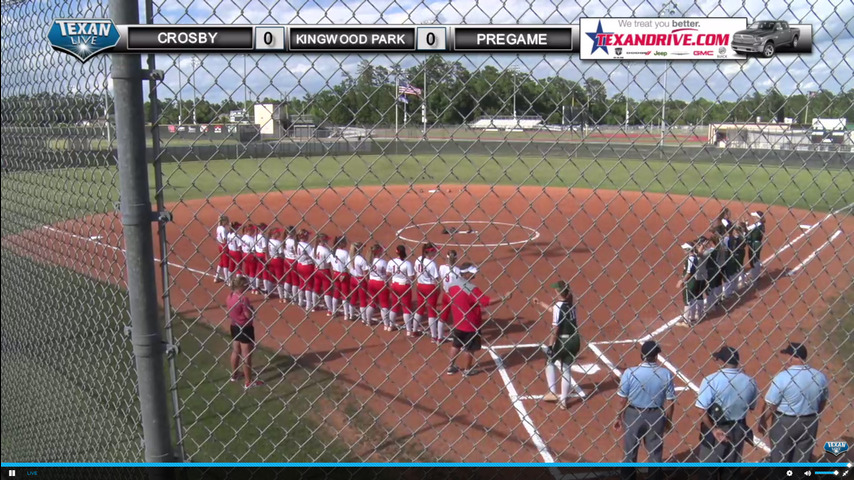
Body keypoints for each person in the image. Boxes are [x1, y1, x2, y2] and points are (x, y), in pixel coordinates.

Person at [614, 341, 676, 480]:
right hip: (656, 415)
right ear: (656, 357)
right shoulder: (666, 374)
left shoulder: (630, 373)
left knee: (630, 452)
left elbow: (622, 399)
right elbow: (671, 401)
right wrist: (668, 420)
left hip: (633, 414)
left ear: (642, 355)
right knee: (655, 453)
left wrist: (618, 417)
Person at [759, 342, 829, 463]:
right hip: (809, 422)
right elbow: (823, 402)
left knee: (779, 460)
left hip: (784, 423)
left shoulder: (782, 377)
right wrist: (811, 415)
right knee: (802, 460)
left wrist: (762, 421)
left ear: (792, 357)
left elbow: (772, 405)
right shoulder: (819, 376)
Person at [695, 346, 759, 475]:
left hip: (715, 428)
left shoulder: (711, 380)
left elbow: (701, 409)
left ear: (723, 362)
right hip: (738, 429)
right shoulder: (750, 381)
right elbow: (751, 406)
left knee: (708, 470)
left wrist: (714, 430)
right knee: (732, 470)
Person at [446, 263, 512, 376]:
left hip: (458, 322)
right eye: (472, 274)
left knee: (456, 345)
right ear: (466, 274)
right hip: (471, 324)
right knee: (469, 349)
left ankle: (450, 366)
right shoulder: (471, 289)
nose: (474, 276)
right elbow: (486, 302)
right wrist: (504, 297)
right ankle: (467, 370)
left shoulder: (452, 285)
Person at [531, 280, 582, 410]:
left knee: (549, 361)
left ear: (558, 292)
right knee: (566, 369)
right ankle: (563, 401)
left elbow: (556, 328)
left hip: (562, 340)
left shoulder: (559, 306)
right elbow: (555, 310)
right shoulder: (571, 305)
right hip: (574, 340)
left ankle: (552, 392)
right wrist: (541, 303)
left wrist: (550, 346)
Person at [226, 277, 264, 390]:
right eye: (246, 284)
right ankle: (248, 382)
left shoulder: (230, 296)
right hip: (245, 328)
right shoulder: (243, 299)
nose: (247, 286)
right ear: (241, 285)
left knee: (236, 350)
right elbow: (248, 315)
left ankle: (234, 375)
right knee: (246, 355)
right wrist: (252, 310)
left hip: (234, 326)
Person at [414, 243, 442, 343]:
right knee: (432, 311)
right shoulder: (432, 264)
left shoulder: (418, 259)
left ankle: (414, 330)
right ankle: (434, 336)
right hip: (430, 287)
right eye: (434, 250)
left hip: (420, 286)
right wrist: (438, 289)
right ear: (429, 251)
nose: (436, 252)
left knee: (420, 308)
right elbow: (436, 279)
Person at [387, 245, 417, 336]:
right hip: (404, 286)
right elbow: (412, 277)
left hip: (394, 285)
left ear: (396, 251)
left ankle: (390, 326)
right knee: (406, 308)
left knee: (394, 305)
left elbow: (388, 274)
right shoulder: (407, 264)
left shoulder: (391, 262)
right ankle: (408, 330)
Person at [437, 250, 461, 341]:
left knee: (443, 315)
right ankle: (459, 338)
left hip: (446, 294)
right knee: (458, 316)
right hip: (455, 296)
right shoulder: (457, 270)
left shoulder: (442, 267)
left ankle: (439, 338)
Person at [676, 241, 702, 326]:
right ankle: (692, 318)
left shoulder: (690, 259)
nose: (683, 250)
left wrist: (682, 281)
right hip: (694, 280)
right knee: (693, 299)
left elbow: (689, 272)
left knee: (687, 300)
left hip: (689, 281)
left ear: (688, 249)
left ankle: (686, 321)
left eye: (685, 249)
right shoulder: (694, 257)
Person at [367, 244, 391, 330]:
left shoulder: (369, 261)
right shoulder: (383, 262)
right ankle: (386, 325)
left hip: (371, 282)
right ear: (379, 251)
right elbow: (387, 274)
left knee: (372, 301)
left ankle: (368, 321)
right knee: (384, 303)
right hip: (381, 283)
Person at [348, 242, 370, 324]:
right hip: (361, 280)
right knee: (363, 299)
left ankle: (351, 315)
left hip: (353, 279)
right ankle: (364, 319)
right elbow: (365, 272)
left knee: (353, 297)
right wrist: (367, 281)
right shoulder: (361, 259)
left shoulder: (350, 257)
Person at [330, 236, 352, 319]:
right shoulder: (345, 253)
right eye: (345, 242)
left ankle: (334, 311)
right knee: (345, 294)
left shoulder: (333, 251)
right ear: (341, 243)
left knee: (336, 292)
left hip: (336, 273)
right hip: (343, 274)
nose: (346, 243)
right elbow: (349, 265)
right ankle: (346, 314)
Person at [295, 229, 315, 312]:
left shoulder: (296, 244)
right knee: (309, 285)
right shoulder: (307, 246)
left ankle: (300, 302)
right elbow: (312, 256)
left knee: (301, 283)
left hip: (299, 265)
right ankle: (308, 305)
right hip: (307, 266)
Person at [745, 211, 766, 284]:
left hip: (754, 244)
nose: (754, 218)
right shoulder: (761, 224)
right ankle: (756, 276)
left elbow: (747, 229)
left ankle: (755, 277)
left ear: (758, 218)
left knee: (753, 260)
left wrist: (746, 223)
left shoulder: (757, 225)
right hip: (758, 243)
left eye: (755, 217)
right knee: (756, 260)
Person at [267, 228, 286, 302]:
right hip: (278, 260)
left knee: (271, 277)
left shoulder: (269, 241)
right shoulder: (278, 242)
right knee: (279, 278)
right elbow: (281, 253)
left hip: (271, 259)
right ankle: (281, 297)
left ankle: (269, 292)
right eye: (278, 233)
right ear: (274, 234)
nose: (279, 234)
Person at [240, 224, 258, 294]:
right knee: (252, 271)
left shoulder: (243, 237)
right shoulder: (251, 239)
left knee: (247, 269)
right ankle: (253, 288)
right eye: (253, 230)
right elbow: (254, 250)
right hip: (250, 255)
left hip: (244, 254)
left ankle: (246, 284)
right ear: (250, 230)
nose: (254, 231)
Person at [254, 223, 270, 296]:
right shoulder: (262, 238)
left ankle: (257, 288)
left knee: (259, 271)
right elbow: (265, 249)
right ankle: (266, 291)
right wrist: (267, 257)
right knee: (265, 273)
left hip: (257, 254)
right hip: (263, 255)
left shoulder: (256, 236)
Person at [283, 226, 298, 303]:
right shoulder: (293, 241)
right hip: (293, 261)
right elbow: (296, 253)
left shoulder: (285, 239)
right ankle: (294, 299)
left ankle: (285, 297)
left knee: (288, 279)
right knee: (295, 280)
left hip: (286, 260)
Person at [214, 215, 230, 283]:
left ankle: (216, 277)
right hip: (224, 246)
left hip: (220, 245)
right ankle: (227, 280)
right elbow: (224, 239)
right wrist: (225, 246)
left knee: (222, 261)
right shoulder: (223, 229)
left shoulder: (218, 227)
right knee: (225, 263)